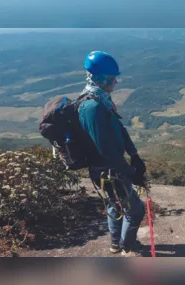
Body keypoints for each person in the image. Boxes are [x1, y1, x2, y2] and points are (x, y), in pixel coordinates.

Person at [78, 51, 146, 257]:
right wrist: (128, 171)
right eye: (112, 78)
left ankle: (116, 244)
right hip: (108, 171)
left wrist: (134, 154)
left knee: (115, 206)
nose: (116, 81)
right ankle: (128, 246)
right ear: (102, 78)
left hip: (110, 168)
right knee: (135, 211)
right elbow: (104, 149)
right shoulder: (92, 107)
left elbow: (119, 128)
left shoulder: (102, 100)